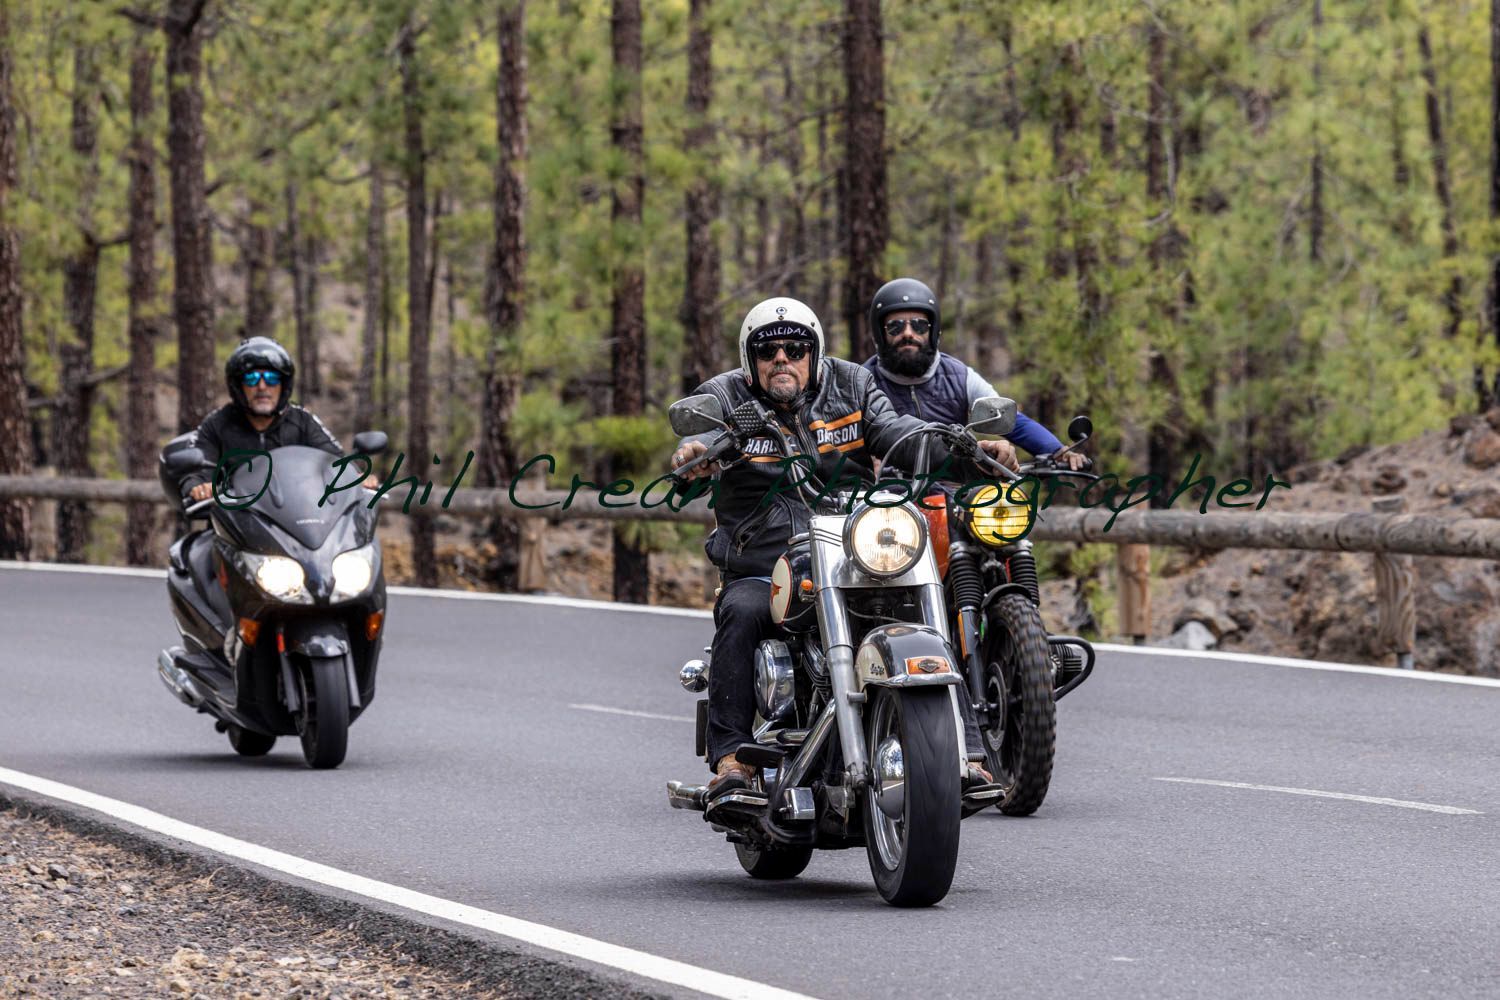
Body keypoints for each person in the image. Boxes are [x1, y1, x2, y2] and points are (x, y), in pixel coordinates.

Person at [671, 296, 1017, 801]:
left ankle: (965, 754)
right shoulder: (726, 397)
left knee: (927, 603)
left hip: (853, 549)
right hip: (766, 561)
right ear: (751, 360)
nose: (782, 359)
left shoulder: (851, 384)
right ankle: (731, 761)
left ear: (815, 353)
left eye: (795, 349)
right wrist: (694, 456)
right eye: (768, 351)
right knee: (743, 609)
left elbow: (897, 431)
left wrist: (965, 449)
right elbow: (694, 446)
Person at [863, 277, 1087, 472]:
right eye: (895, 327)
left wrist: (1057, 451)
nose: (908, 334)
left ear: (933, 331)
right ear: (879, 334)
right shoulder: (862, 383)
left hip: (955, 494)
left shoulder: (960, 377)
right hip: (885, 502)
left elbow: (1008, 420)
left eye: (920, 326)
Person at [175, 337, 349, 503]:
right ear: (238, 386)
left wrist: (355, 478)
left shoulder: (302, 421)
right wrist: (198, 486)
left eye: (271, 379)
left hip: (297, 522)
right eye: (252, 379)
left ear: (284, 385)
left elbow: (335, 460)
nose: (262, 387)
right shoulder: (217, 424)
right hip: (233, 523)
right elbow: (196, 470)